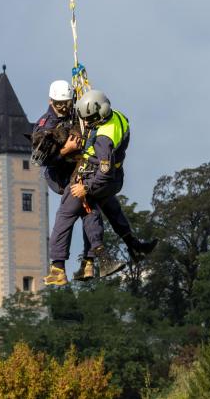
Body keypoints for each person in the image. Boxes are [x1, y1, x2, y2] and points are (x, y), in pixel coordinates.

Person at [43, 89, 155, 285]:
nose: (87, 123)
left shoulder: (104, 138)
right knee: (106, 208)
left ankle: (58, 267)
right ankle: (128, 247)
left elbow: (105, 171)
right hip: (114, 180)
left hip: (96, 177)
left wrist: (85, 187)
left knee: (66, 214)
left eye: (90, 119)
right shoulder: (118, 117)